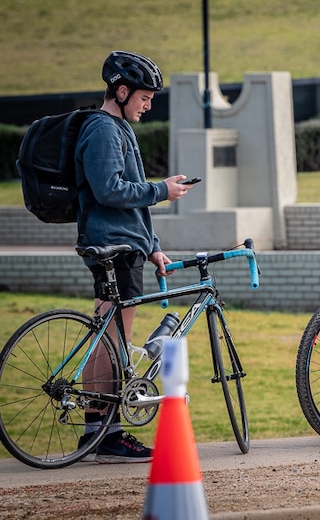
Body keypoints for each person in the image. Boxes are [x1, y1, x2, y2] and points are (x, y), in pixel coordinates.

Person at [75, 50, 197, 462]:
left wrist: (155, 246)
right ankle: (108, 435)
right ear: (121, 91)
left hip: (127, 245)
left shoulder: (118, 128)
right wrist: (161, 190)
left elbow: (131, 201)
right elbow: (109, 189)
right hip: (115, 248)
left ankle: (95, 432)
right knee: (117, 343)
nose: (148, 105)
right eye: (144, 97)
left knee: (108, 339)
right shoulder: (105, 130)